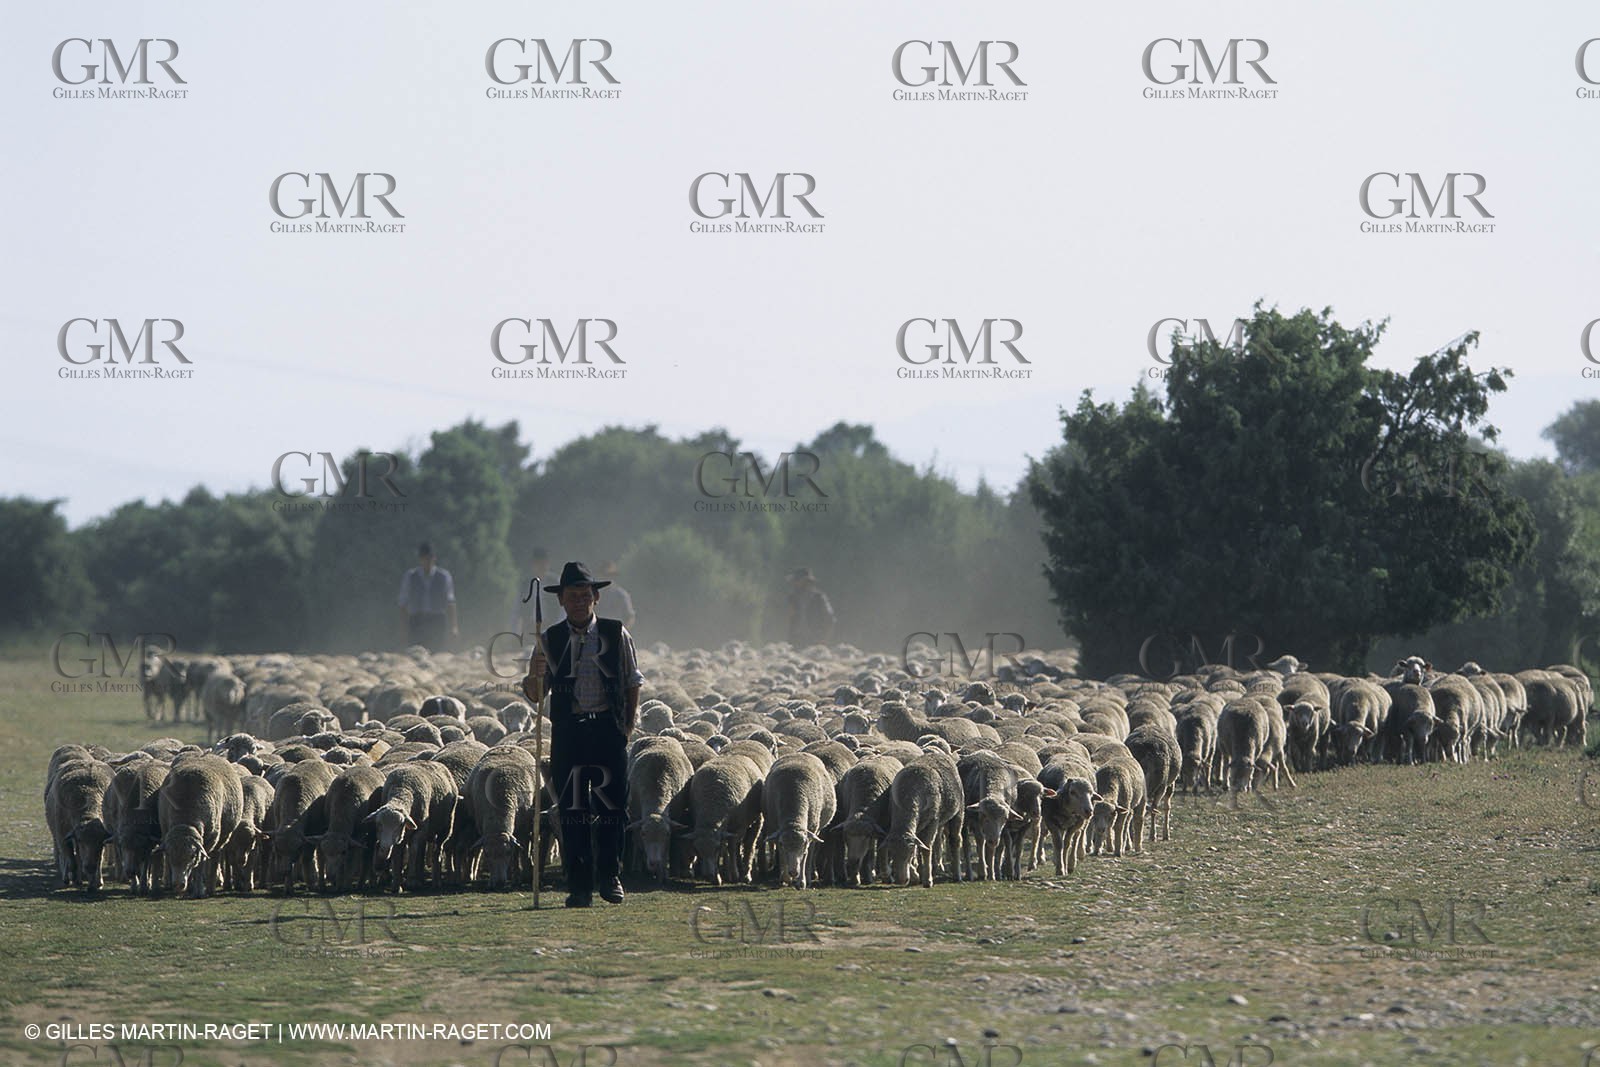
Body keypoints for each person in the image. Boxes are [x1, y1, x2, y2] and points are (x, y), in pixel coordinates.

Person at [522, 561, 642, 908]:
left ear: (596, 597)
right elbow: (535, 694)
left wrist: (627, 727)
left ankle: (610, 877)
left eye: (584, 595)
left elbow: (633, 681)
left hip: (607, 729)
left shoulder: (616, 633)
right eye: (572, 596)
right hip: (569, 733)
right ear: (561, 601)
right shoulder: (549, 639)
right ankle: (579, 885)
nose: (579, 601)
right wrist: (535, 672)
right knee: (572, 809)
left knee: (611, 808)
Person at [398, 541, 457, 650]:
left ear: (434, 558)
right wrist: (403, 628)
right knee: (416, 651)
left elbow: (450, 602)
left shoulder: (444, 576)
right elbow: (403, 603)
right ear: (420, 559)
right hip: (416, 621)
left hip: (437, 620)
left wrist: (454, 626)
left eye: (430, 558)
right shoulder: (410, 576)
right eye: (425, 558)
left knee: (437, 651)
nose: (428, 561)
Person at [508, 547, 552, 636]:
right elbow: (516, 610)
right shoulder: (524, 585)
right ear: (533, 565)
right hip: (530, 629)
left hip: (551, 628)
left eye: (543, 563)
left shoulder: (556, 583)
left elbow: (563, 610)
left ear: (548, 564)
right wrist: (514, 632)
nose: (541, 566)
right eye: (538, 563)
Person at [787, 567, 835, 646]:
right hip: (796, 641)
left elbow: (830, 619)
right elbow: (791, 619)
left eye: (797, 580)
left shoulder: (819, 598)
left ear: (805, 581)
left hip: (814, 640)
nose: (794, 583)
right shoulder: (793, 598)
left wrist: (824, 640)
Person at [601, 561, 636, 630]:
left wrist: (623, 631)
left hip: (616, 630)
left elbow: (630, 616)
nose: (606, 578)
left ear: (613, 577)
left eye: (609, 575)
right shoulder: (596, 595)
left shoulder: (621, 595)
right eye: (605, 575)